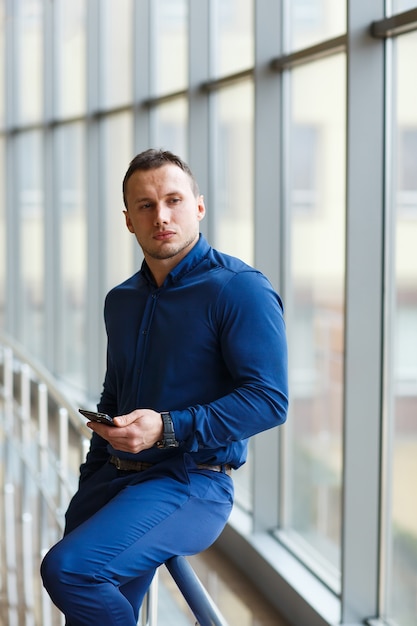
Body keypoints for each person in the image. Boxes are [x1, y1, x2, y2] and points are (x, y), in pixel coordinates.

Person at [41, 148, 288, 626]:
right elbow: (115, 398)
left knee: (70, 572)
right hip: (113, 480)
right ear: (129, 220)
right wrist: (90, 480)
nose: (162, 216)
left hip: (192, 483)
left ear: (198, 205)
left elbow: (269, 400)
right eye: (146, 206)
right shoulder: (122, 301)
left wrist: (166, 428)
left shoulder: (240, 289)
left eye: (174, 200)